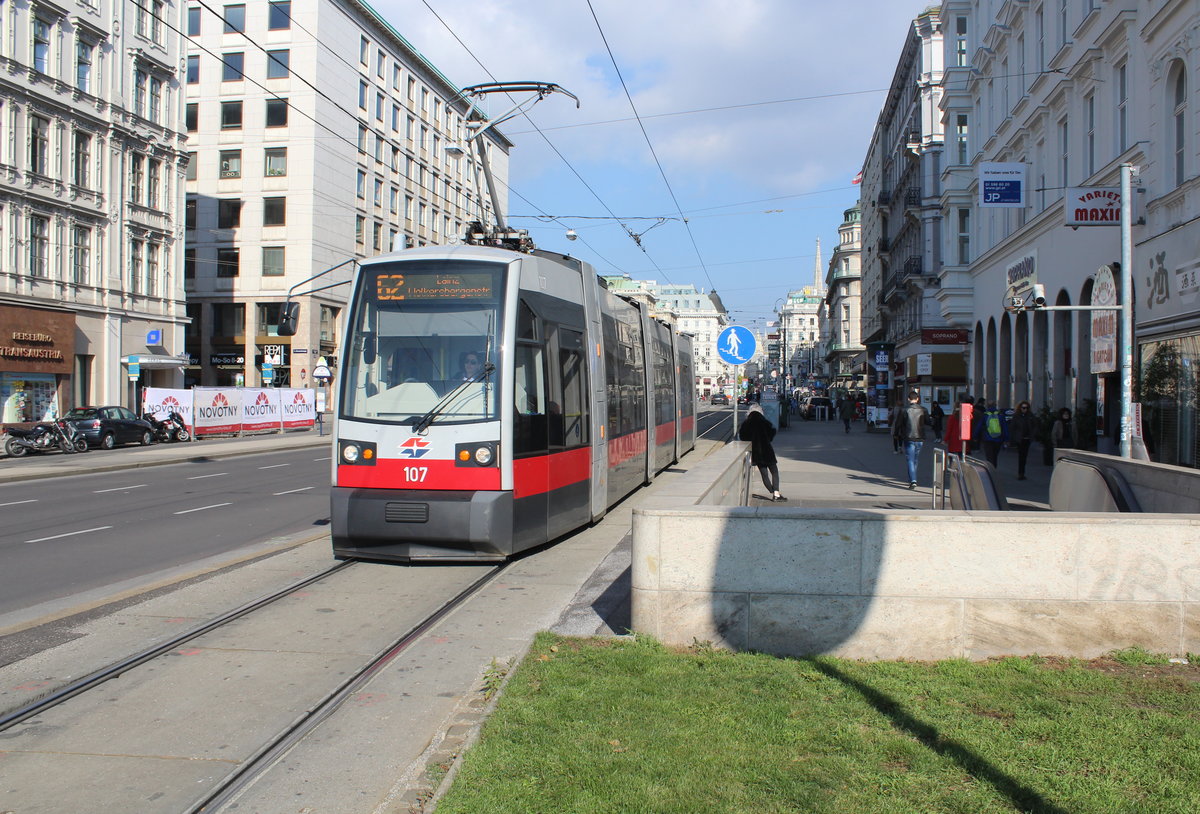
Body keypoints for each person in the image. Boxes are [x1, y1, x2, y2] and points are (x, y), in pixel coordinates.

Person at [738, 403, 785, 501]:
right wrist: (767, 439)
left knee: (764, 474)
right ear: (760, 411)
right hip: (767, 451)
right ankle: (776, 493)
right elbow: (772, 431)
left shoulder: (746, 423)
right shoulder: (764, 421)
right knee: (774, 472)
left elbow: (742, 436)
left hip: (756, 453)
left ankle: (773, 492)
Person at [892, 390, 930, 489]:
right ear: (917, 399)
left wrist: (896, 434)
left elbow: (898, 423)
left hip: (908, 437)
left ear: (908, 399)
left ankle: (913, 480)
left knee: (910, 459)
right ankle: (912, 478)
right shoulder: (923, 409)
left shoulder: (904, 410)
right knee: (916, 459)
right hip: (920, 437)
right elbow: (928, 422)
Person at [972, 399, 1008, 467]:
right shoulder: (1000, 415)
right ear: (995, 405)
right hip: (998, 439)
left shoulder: (985, 415)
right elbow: (1005, 427)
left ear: (987, 406)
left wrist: (975, 436)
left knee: (989, 457)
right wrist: (1006, 439)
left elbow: (979, 427)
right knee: (995, 456)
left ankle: (990, 471)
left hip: (987, 438)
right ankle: (994, 468)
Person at [1008, 400, 1036, 480]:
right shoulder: (1017, 416)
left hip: (1027, 438)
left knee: (1024, 456)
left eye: (1026, 408)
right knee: (1021, 456)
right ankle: (1021, 473)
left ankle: (1022, 472)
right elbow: (1012, 427)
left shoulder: (1030, 416)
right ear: (1020, 408)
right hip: (1019, 439)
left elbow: (1035, 425)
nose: (1025, 409)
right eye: (1023, 408)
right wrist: (1013, 438)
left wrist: (1032, 434)